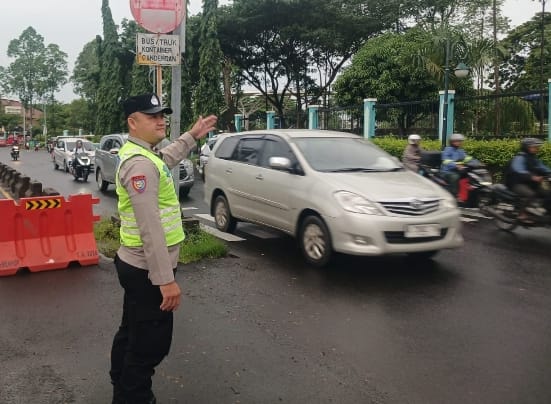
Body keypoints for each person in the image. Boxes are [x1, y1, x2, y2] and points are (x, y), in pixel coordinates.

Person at [109, 93, 217, 404]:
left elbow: (166, 159)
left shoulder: (145, 155)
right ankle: (134, 396)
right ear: (133, 122)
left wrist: (191, 136)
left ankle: (122, 386)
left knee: (132, 331)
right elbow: (150, 228)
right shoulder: (140, 164)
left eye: (161, 115)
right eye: (152, 116)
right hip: (147, 270)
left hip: (135, 265)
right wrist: (165, 280)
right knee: (149, 344)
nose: (161, 121)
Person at [505, 137, 551, 215]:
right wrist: (532, 177)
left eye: (537, 147)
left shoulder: (533, 158)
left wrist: (549, 173)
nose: (537, 148)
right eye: (534, 147)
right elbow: (519, 170)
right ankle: (521, 214)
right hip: (516, 183)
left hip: (530, 183)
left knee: (547, 192)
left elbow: (542, 167)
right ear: (526, 147)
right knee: (530, 194)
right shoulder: (519, 158)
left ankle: (544, 211)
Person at [440, 133, 473, 197]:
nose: (459, 143)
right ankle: (454, 194)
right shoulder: (447, 149)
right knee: (455, 177)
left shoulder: (460, 150)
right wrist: (456, 165)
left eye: (460, 141)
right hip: (447, 171)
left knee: (470, 176)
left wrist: (476, 162)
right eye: (457, 141)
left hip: (458, 170)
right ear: (452, 142)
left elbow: (466, 158)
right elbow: (445, 160)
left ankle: (466, 195)